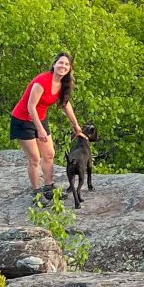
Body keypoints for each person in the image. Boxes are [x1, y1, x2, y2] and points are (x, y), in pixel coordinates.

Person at [10, 51, 85, 202]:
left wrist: (75, 125)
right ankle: (37, 193)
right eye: (60, 63)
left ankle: (49, 188)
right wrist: (40, 129)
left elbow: (65, 104)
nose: (63, 66)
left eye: (66, 64)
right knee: (34, 159)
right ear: (54, 64)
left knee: (49, 154)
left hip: (40, 119)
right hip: (23, 120)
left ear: (69, 68)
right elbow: (31, 106)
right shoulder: (42, 81)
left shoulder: (63, 83)